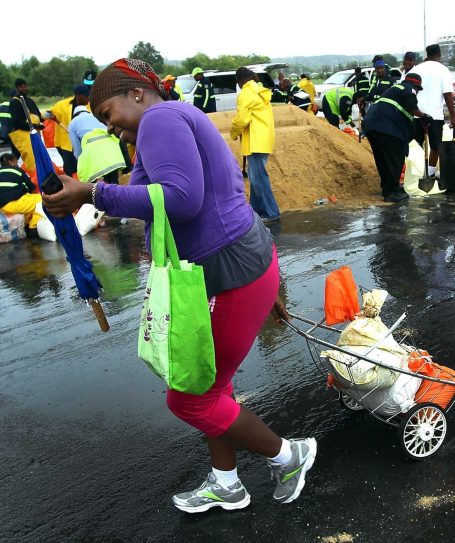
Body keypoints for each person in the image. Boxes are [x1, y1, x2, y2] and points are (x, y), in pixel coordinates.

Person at [41, 58, 314, 513]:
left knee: (190, 398)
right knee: (211, 385)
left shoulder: (161, 118)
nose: (112, 129)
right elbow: (152, 194)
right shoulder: (173, 119)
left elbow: (181, 200)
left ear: (136, 94)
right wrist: (89, 195)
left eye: (110, 115)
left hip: (232, 273)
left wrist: (92, 193)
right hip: (240, 266)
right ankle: (228, 482)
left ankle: (290, 456)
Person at [365, 73, 429, 202]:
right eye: (418, 89)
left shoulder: (393, 90)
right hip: (386, 127)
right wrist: (423, 116)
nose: (417, 92)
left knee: (383, 160)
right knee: (395, 159)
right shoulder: (408, 89)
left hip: (372, 125)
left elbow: (404, 114)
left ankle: (389, 188)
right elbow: (412, 106)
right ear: (415, 85)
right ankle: (391, 193)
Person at [231, 68, 281, 222]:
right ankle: (255, 212)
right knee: (255, 177)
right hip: (263, 138)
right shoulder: (259, 89)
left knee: (259, 178)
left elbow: (242, 120)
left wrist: (233, 132)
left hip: (255, 141)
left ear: (239, 81)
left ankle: (272, 213)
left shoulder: (245, 94)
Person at [409, 44, 455, 178]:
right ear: (439, 54)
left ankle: (416, 174)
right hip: (434, 115)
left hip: (415, 113)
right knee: (436, 145)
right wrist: (453, 116)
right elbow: (448, 94)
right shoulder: (443, 70)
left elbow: (406, 90)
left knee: (416, 145)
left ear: (427, 54)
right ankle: (430, 173)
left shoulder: (416, 69)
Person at [68, 105, 126, 184]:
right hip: (113, 154)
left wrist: (81, 165)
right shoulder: (96, 117)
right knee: (114, 185)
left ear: (75, 115)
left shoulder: (73, 123)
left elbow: (77, 150)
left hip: (95, 159)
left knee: (98, 190)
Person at [48, 84, 91, 176]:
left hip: (83, 143)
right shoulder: (62, 105)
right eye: (86, 96)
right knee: (69, 169)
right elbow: (48, 112)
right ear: (78, 96)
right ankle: (71, 187)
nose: (89, 99)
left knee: (83, 168)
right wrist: (46, 115)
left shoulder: (90, 107)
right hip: (65, 144)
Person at [7, 78, 43, 175]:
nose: (23, 88)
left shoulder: (30, 101)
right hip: (22, 137)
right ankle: (9, 175)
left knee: (38, 158)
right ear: (17, 88)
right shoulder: (15, 102)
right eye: (21, 86)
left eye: (25, 86)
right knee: (30, 161)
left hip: (33, 135)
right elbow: (18, 122)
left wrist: (43, 119)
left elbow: (38, 115)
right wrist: (34, 126)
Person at [0, 153, 42, 230]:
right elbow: (31, 188)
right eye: (16, 162)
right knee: (43, 200)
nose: (17, 165)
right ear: (10, 162)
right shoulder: (18, 170)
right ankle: (33, 227)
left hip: (1, 206)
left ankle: (25, 222)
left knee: (28, 203)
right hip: (13, 203)